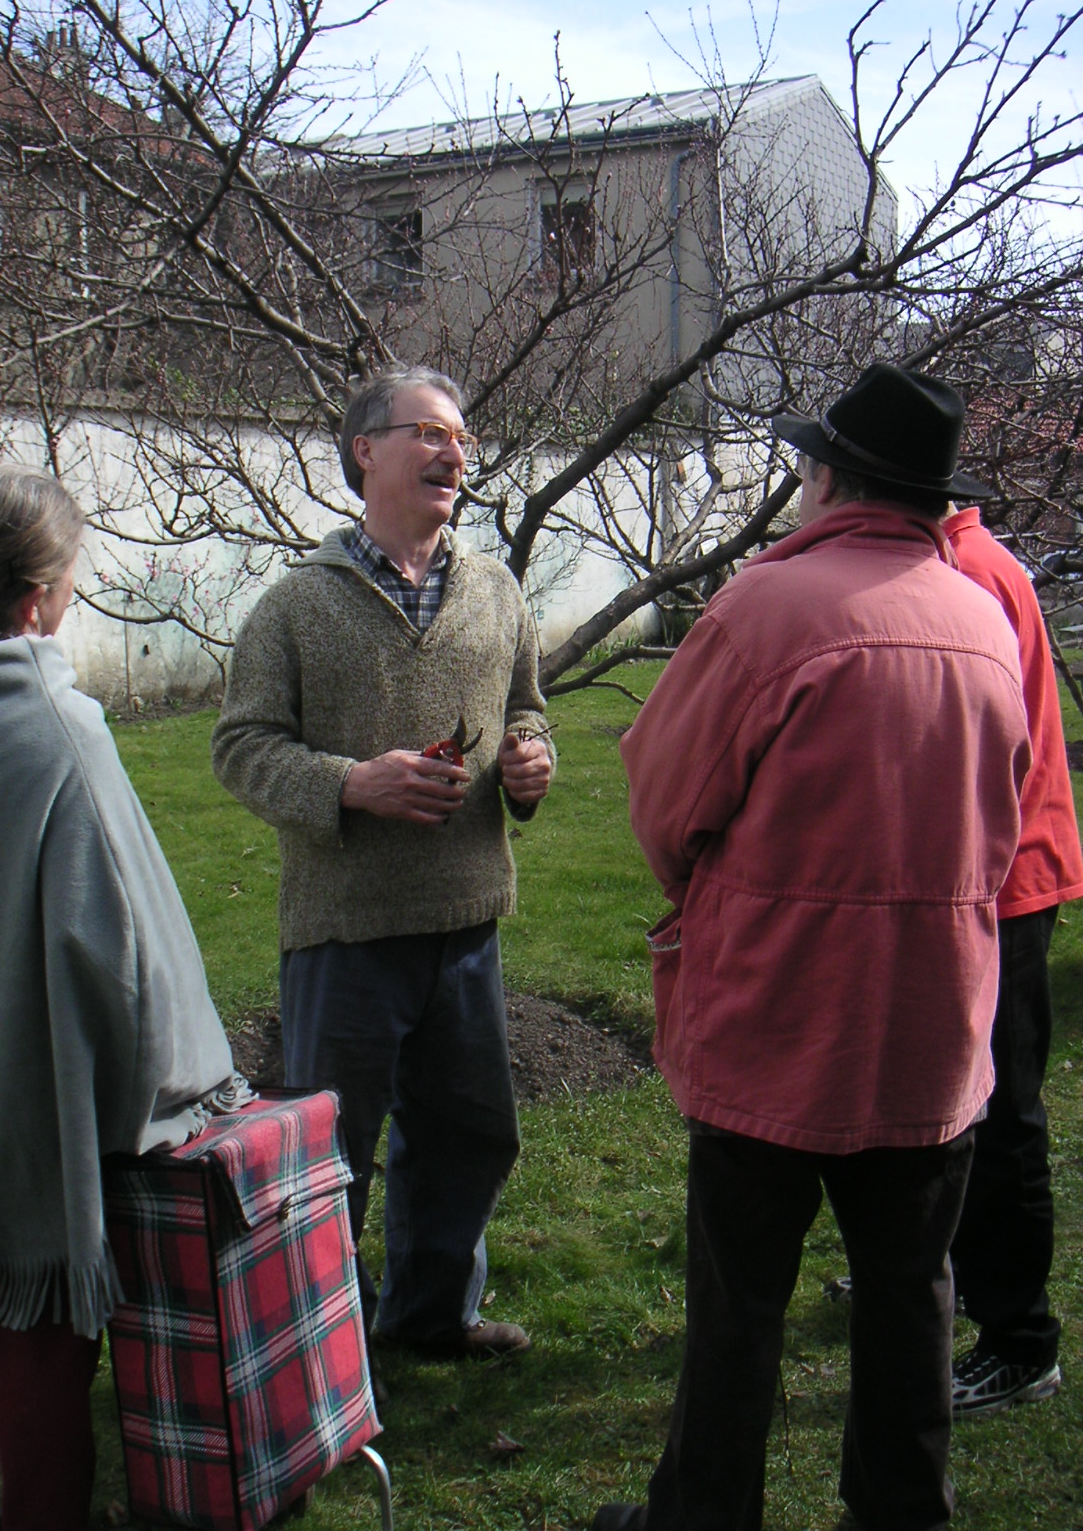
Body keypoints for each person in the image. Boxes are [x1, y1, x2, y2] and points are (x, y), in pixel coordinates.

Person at [594, 363, 1031, 1531]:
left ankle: (705, 1515)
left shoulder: (767, 610)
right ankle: (901, 1513)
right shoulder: (985, 621)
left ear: (830, 480)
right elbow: (1003, 820)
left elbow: (665, 804)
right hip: (935, 1026)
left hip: (777, 1021)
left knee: (739, 1303)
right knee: (910, 1292)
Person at [0, 464, 247, 1531]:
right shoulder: (55, 724)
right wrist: (184, 1087)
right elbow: (127, 955)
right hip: (28, 1111)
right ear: (41, 595)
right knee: (41, 1364)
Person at [212, 365, 554, 1359]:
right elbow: (241, 746)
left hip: (466, 919)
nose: (455, 453)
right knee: (333, 1155)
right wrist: (352, 784)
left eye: (462, 438)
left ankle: (432, 1319)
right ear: (366, 451)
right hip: (346, 927)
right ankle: (329, 1349)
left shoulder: (495, 590)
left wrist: (531, 761)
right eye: (431, 433)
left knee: (468, 1136)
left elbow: (527, 708)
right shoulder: (295, 606)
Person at [941, 503, 1083, 1414]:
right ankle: (952, 1271)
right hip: (989, 871)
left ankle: (1021, 1342)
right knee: (956, 1098)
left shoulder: (969, 572)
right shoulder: (961, 555)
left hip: (1007, 879)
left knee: (1002, 1113)